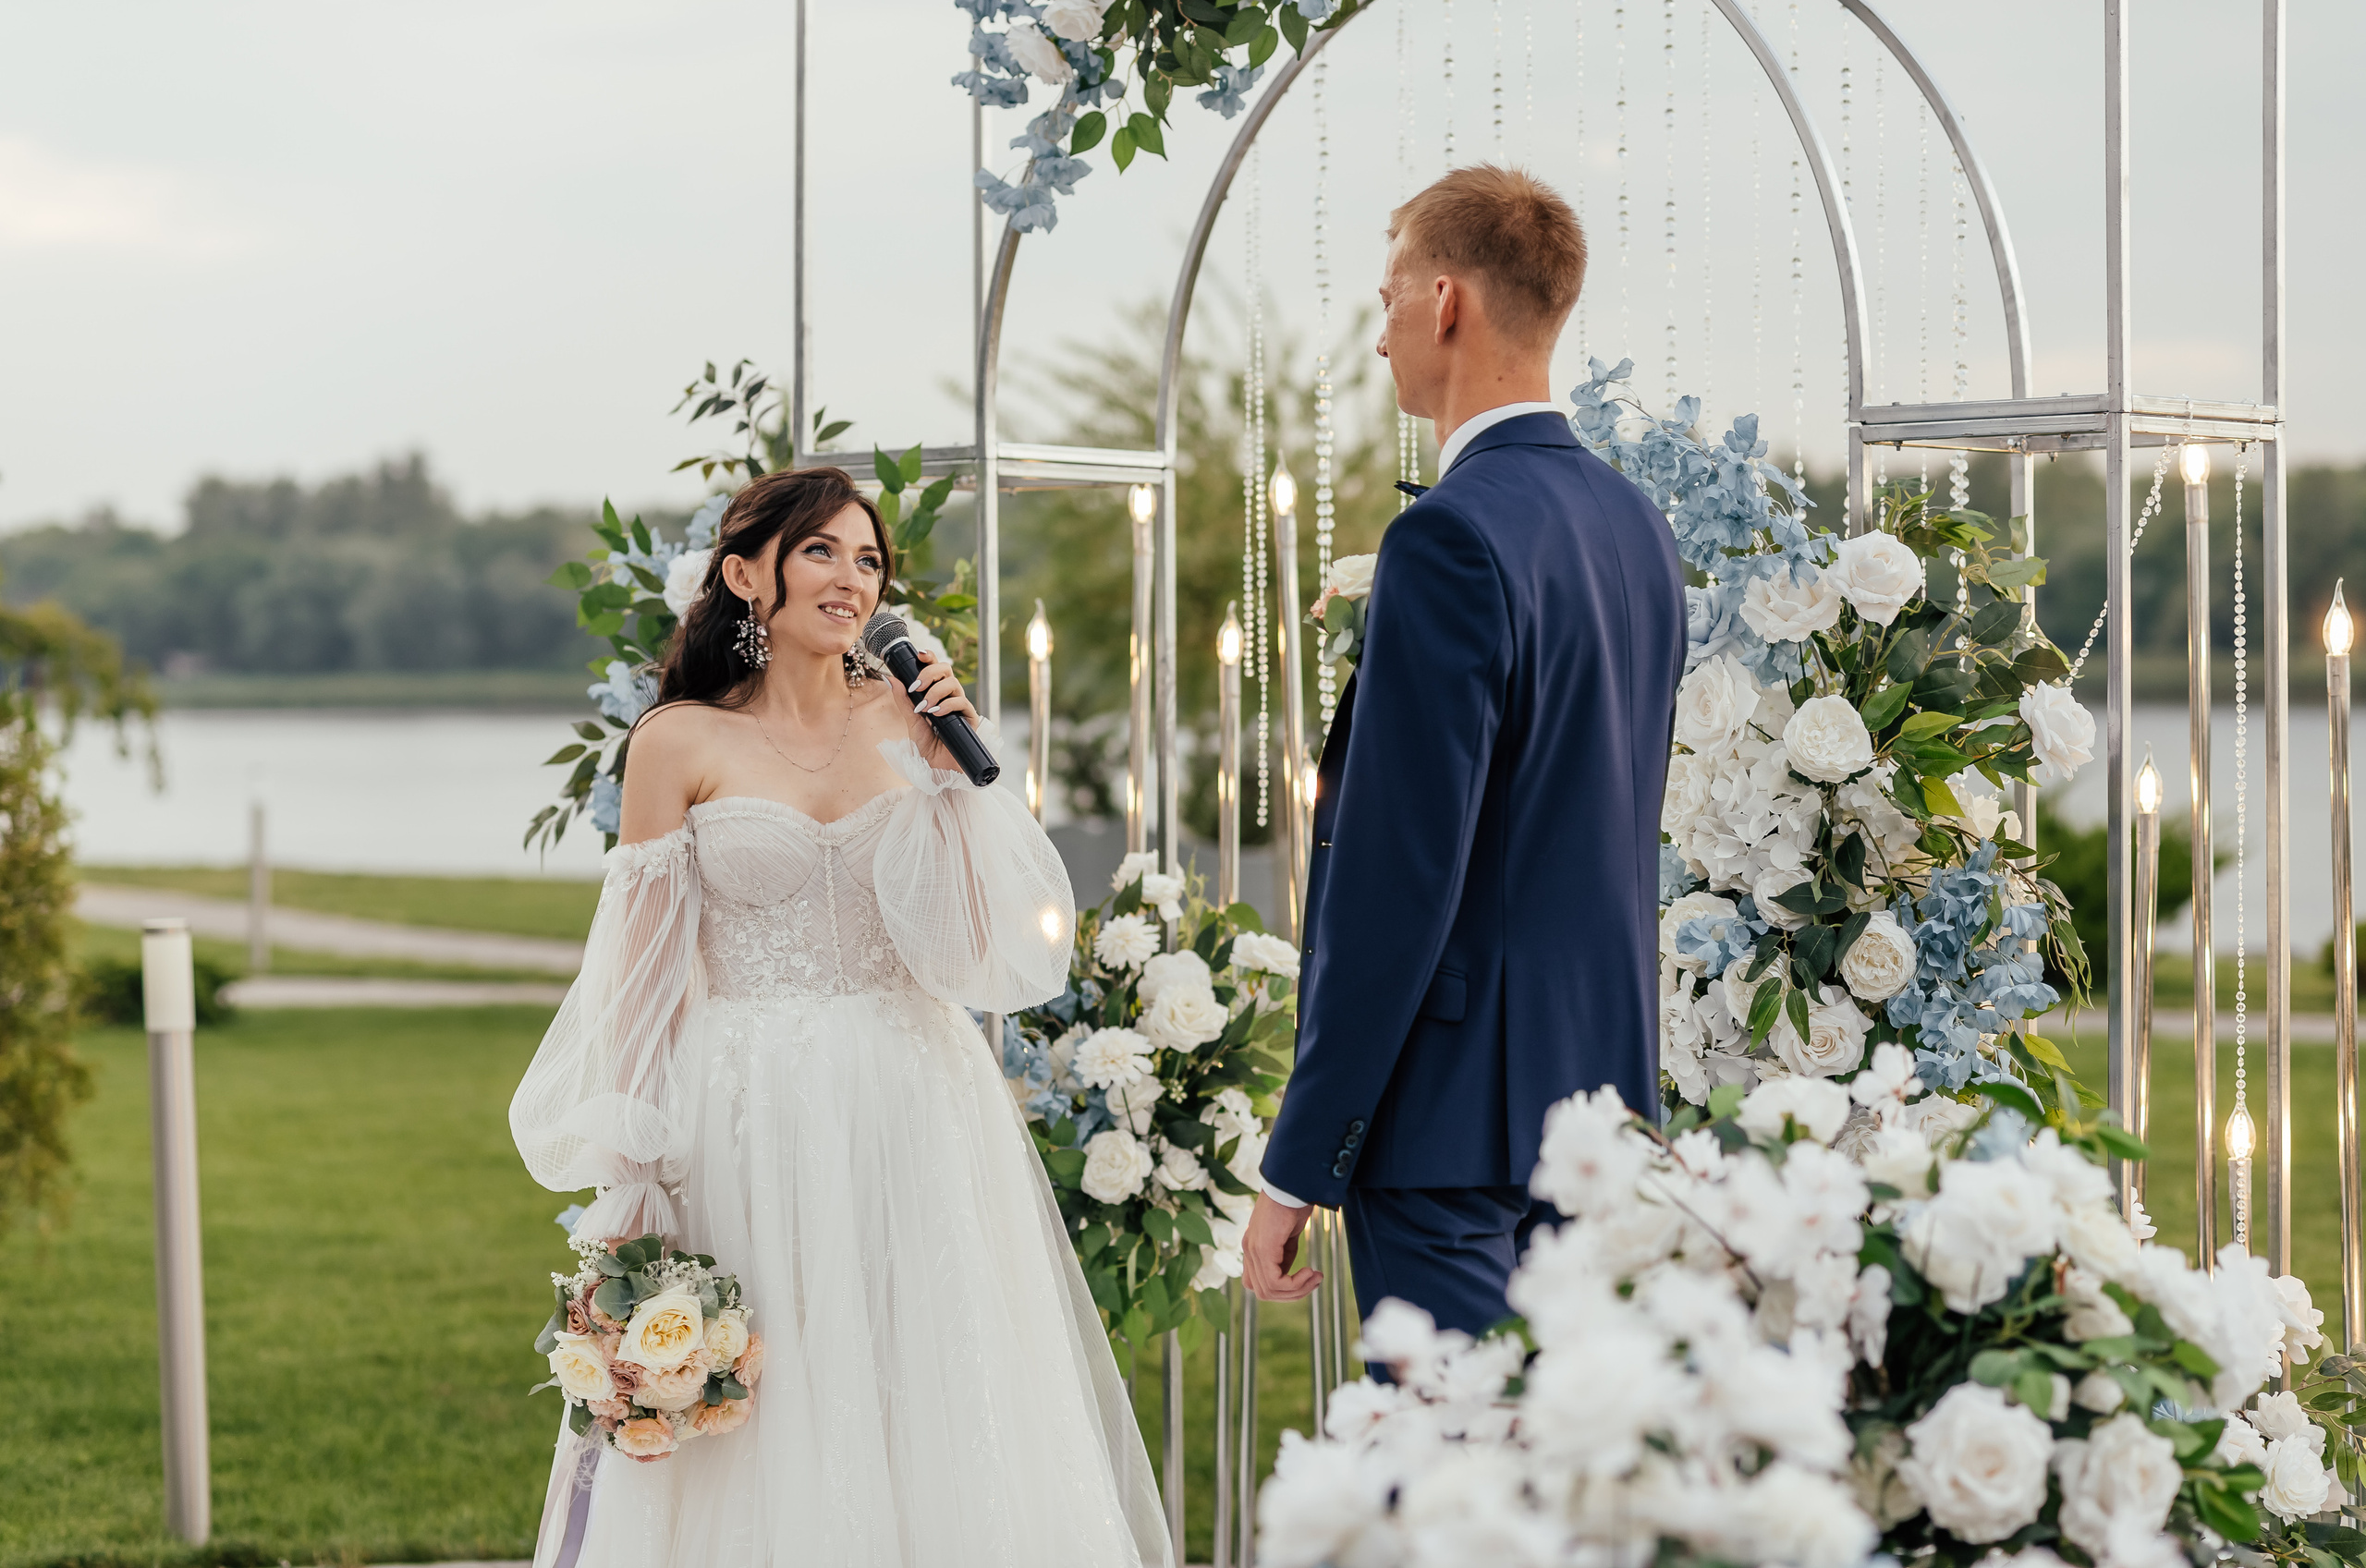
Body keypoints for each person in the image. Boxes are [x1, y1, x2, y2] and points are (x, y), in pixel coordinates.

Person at [508, 466, 1169, 1568]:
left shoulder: (912, 724)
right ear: (742, 574)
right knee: (779, 1394)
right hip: (747, 1106)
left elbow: (977, 949)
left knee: (930, 1380)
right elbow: (638, 973)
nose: (851, 578)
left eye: (869, 560)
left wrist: (955, 777)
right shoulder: (677, 741)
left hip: (915, 1092)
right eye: (821, 550)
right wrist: (628, 1174)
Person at [1244, 165, 1686, 1345]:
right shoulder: (1636, 526)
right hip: (1602, 1107)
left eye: (1386, 297)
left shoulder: (1447, 536)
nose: (1379, 335)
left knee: (1448, 1495)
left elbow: (1399, 876)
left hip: (1453, 1132)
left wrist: (1300, 1159)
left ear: (1444, 302)